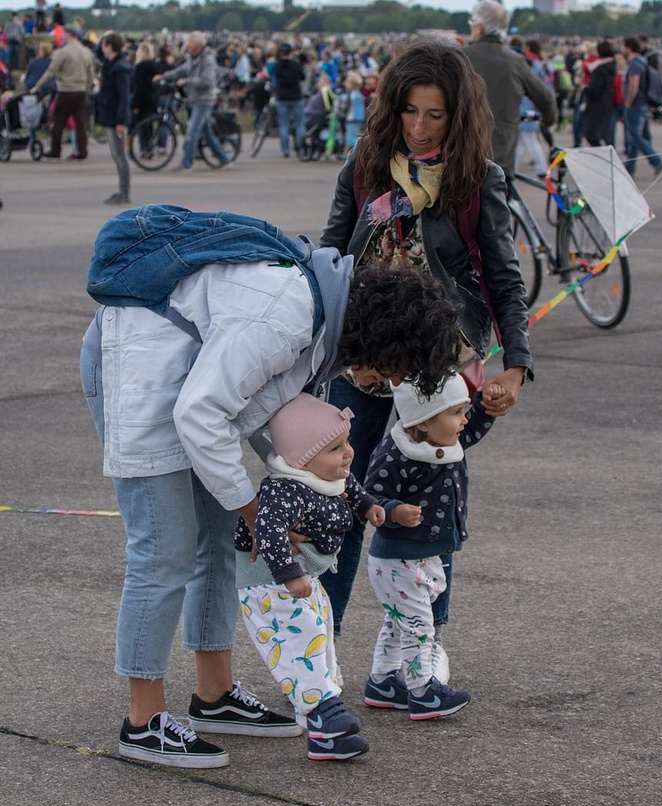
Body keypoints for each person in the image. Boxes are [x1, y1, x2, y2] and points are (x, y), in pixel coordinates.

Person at [80, 205, 464, 769]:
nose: (387, 383)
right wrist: (255, 504)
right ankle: (142, 722)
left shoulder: (320, 324)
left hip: (181, 383)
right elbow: (201, 413)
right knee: (163, 551)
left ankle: (213, 697)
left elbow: (262, 410)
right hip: (135, 370)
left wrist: (289, 487)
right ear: (385, 340)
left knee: (217, 543)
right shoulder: (286, 317)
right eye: (396, 370)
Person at [319, 37, 534, 663]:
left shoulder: (476, 177)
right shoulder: (363, 167)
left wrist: (515, 368)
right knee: (339, 495)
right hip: (360, 356)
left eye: (434, 115)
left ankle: (421, 648)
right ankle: (320, 651)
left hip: (440, 359)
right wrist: (330, 347)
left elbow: (503, 279)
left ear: (458, 115)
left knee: (428, 505)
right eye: (409, 111)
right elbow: (331, 263)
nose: (418, 127)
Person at [235, 394, 385, 761]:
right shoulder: (286, 489)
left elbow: (350, 488)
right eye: (336, 447)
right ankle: (323, 712)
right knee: (299, 641)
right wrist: (287, 574)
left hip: (301, 575)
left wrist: (369, 506)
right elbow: (267, 530)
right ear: (302, 458)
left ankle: (325, 725)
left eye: (347, 442)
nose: (348, 453)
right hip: (269, 582)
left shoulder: (324, 476)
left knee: (319, 632)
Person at [363, 373, 502, 717]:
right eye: (456, 414)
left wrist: (487, 404)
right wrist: (395, 511)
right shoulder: (394, 454)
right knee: (418, 626)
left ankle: (382, 682)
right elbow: (372, 496)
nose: (464, 421)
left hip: (420, 557)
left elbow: (472, 429)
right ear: (424, 422)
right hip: (397, 560)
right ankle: (423, 689)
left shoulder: (449, 440)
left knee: (398, 622)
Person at [465, 1, 555, 181]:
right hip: (501, 153)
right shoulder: (515, 61)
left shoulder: (460, 58)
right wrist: (548, 120)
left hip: (464, 151)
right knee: (500, 201)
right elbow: (545, 98)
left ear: (479, 27)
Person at [153, 31, 230, 172]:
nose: (187, 45)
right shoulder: (192, 58)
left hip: (204, 100)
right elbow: (180, 70)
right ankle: (224, 158)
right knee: (207, 132)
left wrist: (186, 81)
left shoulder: (207, 60)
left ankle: (186, 163)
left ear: (199, 45)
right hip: (194, 98)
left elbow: (207, 81)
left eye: (190, 42)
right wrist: (164, 76)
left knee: (192, 131)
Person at [30, 24, 93, 161]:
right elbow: (90, 74)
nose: (62, 37)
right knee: (80, 122)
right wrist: (87, 89)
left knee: (58, 120)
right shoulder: (86, 52)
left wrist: (37, 86)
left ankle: (55, 149)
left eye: (63, 34)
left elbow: (50, 72)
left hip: (66, 90)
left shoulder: (63, 53)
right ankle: (82, 151)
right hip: (81, 90)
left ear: (69, 35)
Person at [622, 36, 662, 179]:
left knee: (635, 135)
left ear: (628, 48)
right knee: (636, 136)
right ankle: (630, 167)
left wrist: (628, 101)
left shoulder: (634, 64)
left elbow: (634, 84)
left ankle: (656, 160)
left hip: (635, 103)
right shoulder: (642, 61)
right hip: (643, 102)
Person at [96, 32, 131, 205]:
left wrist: (121, 121)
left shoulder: (120, 68)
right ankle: (122, 190)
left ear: (110, 46)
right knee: (116, 155)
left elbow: (124, 96)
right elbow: (96, 53)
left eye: (104, 45)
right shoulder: (112, 65)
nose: (102, 48)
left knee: (120, 155)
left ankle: (124, 191)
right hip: (110, 114)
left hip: (116, 116)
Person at [273, 42, 305, 158]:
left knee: (284, 124)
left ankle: (285, 150)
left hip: (282, 96)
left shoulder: (277, 65)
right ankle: (301, 147)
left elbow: (275, 78)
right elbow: (302, 76)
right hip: (296, 95)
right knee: (300, 123)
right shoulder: (295, 64)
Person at [582, 41, 616, 148]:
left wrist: (585, 90)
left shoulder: (599, 69)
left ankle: (603, 157)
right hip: (607, 102)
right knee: (605, 134)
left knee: (592, 135)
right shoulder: (612, 66)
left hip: (597, 104)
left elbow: (595, 89)